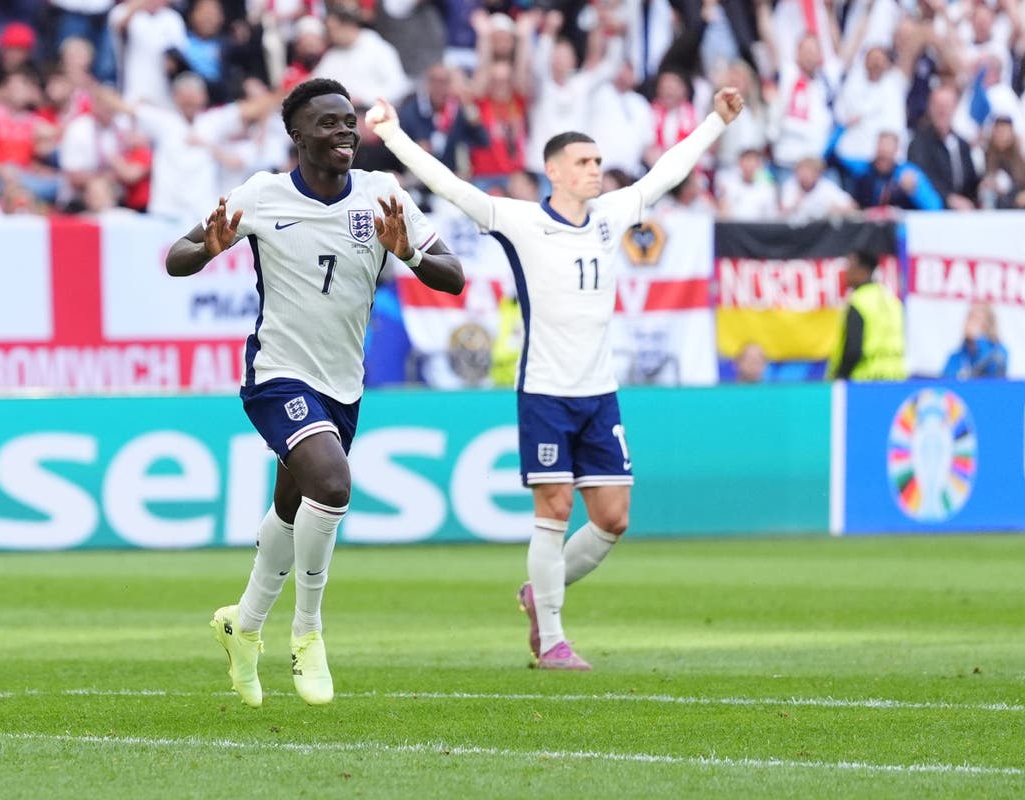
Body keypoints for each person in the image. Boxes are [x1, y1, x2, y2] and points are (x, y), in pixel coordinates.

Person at [365, 85, 743, 669]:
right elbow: (451, 185)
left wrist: (715, 121)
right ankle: (554, 638)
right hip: (545, 388)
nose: (597, 171)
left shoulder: (612, 214)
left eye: (598, 162)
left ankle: (538, 597)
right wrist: (391, 136)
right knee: (556, 508)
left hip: (600, 392)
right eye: (585, 163)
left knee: (614, 519)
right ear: (555, 172)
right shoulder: (520, 220)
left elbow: (667, 173)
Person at [165, 78, 464, 707]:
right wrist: (209, 247)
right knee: (331, 484)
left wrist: (408, 253)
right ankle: (308, 633)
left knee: (294, 506)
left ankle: (242, 626)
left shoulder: (384, 196)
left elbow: (454, 277)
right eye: (329, 123)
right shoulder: (263, 195)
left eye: (349, 122)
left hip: (343, 383)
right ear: (298, 136)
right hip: (278, 373)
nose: (345, 132)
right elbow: (177, 256)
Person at [826, 250, 906, 382]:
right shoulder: (893, 300)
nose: (846, 272)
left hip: (864, 382)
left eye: (850, 266)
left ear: (863, 270)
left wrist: (839, 378)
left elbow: (853, 350)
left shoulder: (859, 302)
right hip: (896, 379)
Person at [942, 302, 1008, 379]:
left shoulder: (999, 352)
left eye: (976, 319)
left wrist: (979, 340)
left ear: (987, 325)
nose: (970, 323)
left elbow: (995, 373)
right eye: (969, 317)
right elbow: (946, 382)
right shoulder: (956, 356)